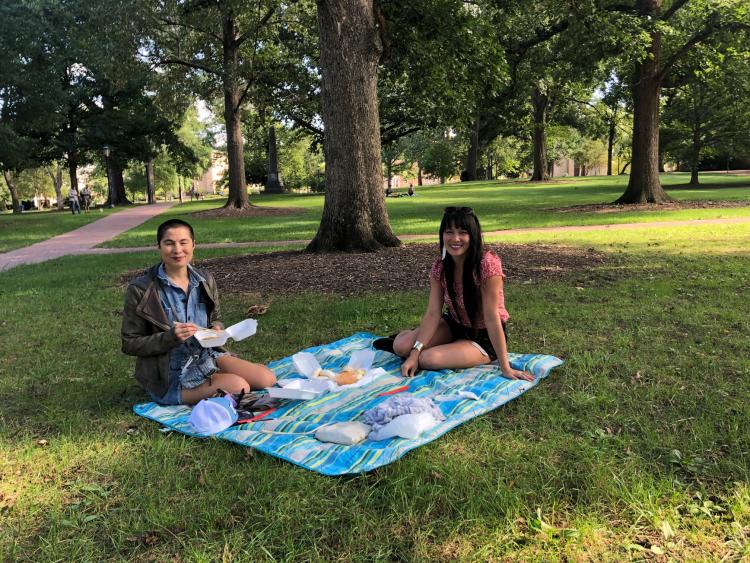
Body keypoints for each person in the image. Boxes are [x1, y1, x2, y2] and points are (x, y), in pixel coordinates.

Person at [121, 219, 276, 405]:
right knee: (239, 386)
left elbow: (215, 318)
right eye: (169, 243)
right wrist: (170, 337)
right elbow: (129, 343)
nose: (177, 250)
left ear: (193, 245)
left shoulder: (205, 279)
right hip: (170, 373)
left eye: (183, 242)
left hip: (207, 356)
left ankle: (218, 376)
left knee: (267, 379)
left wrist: (217, 328)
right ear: (159, 247)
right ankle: (217, 381)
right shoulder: (141, 289)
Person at [377, 207, 532, 381]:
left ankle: (455, 348)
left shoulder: (487, 265)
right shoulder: (440, 268)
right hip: (454, 324)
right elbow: (433, 313)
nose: (455, 238)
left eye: (462, 232)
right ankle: (416, 338)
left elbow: (491, 317)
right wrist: (413, 353)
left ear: (473, 236)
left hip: (482, 335)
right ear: (442, 235)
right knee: (401, 347)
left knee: (427, 359)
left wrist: (505, 367)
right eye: (449, 232)